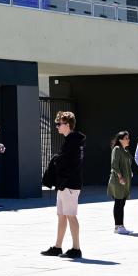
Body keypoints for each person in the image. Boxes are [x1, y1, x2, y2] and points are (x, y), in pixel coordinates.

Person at [41, 111, 85, 259]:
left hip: (70, 185)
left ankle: (76, 248)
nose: (57, 126)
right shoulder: (70, 141)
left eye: (59, 124)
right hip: (65, 185)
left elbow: (70, 164)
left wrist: (57, 162)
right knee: (61, 215)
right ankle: (57, 246)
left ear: (68, 125)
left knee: (70, 216)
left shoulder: (73, 142)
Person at [108, 131, 132, 235]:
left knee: (122, 203)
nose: (128, 140)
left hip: (125, 181)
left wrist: (130, 172)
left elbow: (127, 163)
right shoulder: (117, 149)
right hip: (118, 181)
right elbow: (114, 165)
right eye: (126, 138)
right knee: (118, 203)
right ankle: (118, 226)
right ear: (120, 140)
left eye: (128, 138)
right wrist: (120, 177)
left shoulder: (125, 150)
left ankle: (121, 226)